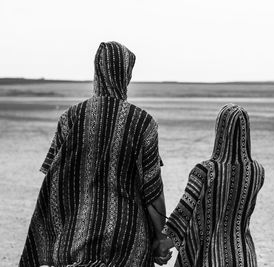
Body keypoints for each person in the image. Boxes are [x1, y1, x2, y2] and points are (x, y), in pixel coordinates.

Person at [19, 41, 171, 266]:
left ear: (97, 72)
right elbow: (153, 191)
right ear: (126, 74)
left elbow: (54, 183)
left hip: (75, 240)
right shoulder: (143, 123)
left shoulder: (70, 118)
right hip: (128, 243)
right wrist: (160, 238)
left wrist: (52, 238)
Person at [162, 103, 265, 266]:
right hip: (244, 256)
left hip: (208, 257)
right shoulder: (257, 171)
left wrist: (162, 246)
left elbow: (183, 214)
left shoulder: (204, 170)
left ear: (220, 130)